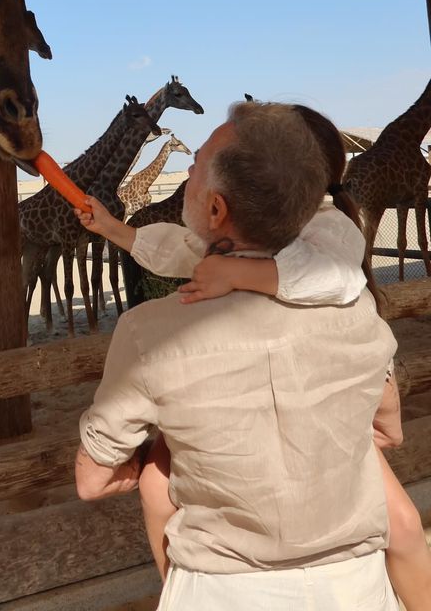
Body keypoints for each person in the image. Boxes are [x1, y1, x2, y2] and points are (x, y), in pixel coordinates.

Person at [73, 101, 403, 610]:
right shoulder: (358, 311)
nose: (188, 170)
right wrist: (113, 228)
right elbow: (388, 430)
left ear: (216, 210)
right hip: (355, 586)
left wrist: (159, 460)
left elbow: (92, 480)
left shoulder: (150, 332)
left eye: (197, 164)